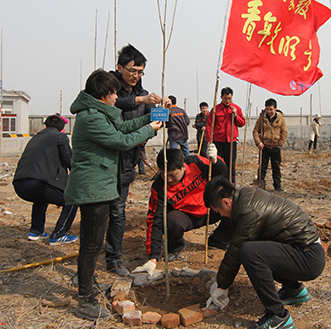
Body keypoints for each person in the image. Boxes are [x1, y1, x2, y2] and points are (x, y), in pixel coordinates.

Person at [64, 69, 162, 321]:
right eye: (114, 93)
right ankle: (85, 298)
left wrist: (149, 120)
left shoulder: (100, 113)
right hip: (92, 188)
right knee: (91, 243)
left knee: (92, 241)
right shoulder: (91, 118)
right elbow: (120, 140)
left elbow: (124, 125)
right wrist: (150, 129)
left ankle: (89, 283)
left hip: (99, 185)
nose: (117, 97)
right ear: (104, 94)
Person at [203, 176, 325, 329]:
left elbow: (236, 250)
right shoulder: (245, 196)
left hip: (308, 257)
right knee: (257, 249)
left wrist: (222, 286)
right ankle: (293, 290)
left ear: (226, 202)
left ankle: (278, 316)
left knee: (249, 252)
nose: (221, 215)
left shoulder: (249, 210)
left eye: (218, 211)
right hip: (302, 250)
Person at [106, 44, 164, 277]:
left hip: (128, 160)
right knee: (102, 211)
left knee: (119, 211)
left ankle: (113, 258)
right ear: (120, 67)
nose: (136, 75)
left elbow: (155, 118)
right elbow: (110, 102)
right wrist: (140, 100)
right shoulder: (107, 85)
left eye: (140, 72)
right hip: (106, 159)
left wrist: (165, 109)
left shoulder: (143, 94)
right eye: (132, 70)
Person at [131, 147, 233, 277]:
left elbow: (222, 174)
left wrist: (215, 161)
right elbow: (154, 220)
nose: (168, 180)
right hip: (186, 217)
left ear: (183, 167)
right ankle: (176, 247)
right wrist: (153, 257)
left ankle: (219, 240)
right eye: (163, 174)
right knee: (170, 222)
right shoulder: (159, 187)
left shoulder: (196, 162)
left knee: (232, 204)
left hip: (209, 209)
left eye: (173, 175)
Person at [13, 115, 79, 245]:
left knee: (41, 198)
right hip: (38, 183)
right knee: (73, 198)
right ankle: (59, 234)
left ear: (45, 126)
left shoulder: (36, 137)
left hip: (20, 184)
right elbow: (68, 160)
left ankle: (36, 231)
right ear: (62, 129)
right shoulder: (60, 137)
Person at [206, 87, 246, 183]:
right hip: (218, 141)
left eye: (229, 98)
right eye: (225, 98)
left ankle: (230, 183)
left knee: (231, 164)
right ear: (221, 97)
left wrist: (236, 115)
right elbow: (209, 125)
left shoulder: (236, 108)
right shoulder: (215, 109)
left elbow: (242, 123)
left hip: (231, 141)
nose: (227, 101)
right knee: (217, 163)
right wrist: (209, 141)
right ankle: (218, 182)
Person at [253, 98, 288, 192]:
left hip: (275, 147)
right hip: (264, 147)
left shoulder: (280, 119)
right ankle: (260, 186)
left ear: (275, 108)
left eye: (271, 109)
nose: (269, 111)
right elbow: (256, 131)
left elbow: (284, 132)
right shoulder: (262, 118)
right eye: (267, 109)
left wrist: (279, 144)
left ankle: (277, 186)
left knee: (276, 167)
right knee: (262, 167)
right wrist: (259, 142)